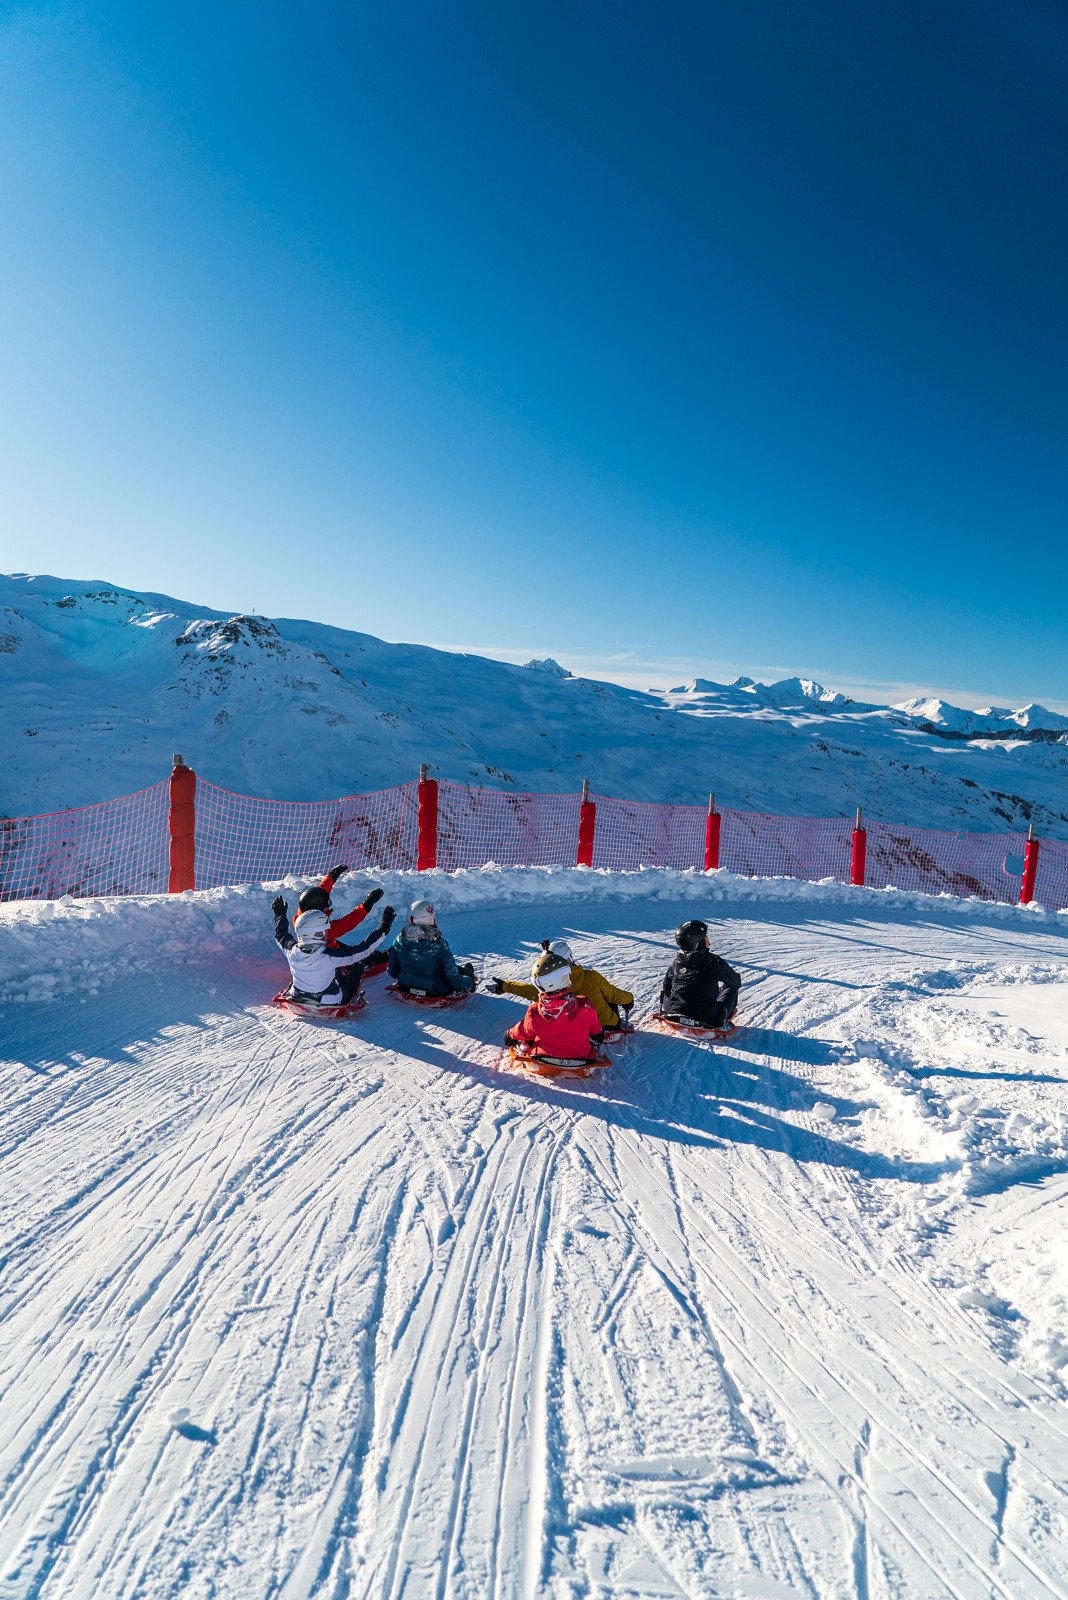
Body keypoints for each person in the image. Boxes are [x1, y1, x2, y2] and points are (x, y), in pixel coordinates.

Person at [273, 895, 396, 1007]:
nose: (327, 933)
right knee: (357, 969)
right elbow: (363, 949)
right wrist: (384, 928)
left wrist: (280, 915)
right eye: (325, 930)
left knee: (332, 971)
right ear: (318, 933)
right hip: (329, 1000)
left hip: (297, 996)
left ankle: (301, 993)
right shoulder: (329, 955)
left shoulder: (291, 950)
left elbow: (281, 935)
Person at [487, 938, 633, 1029]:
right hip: (604, 1025)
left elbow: (532, 992)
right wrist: (629, 999)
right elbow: (615, 995)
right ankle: (615, 1025)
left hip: (574, 1028)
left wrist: (506, 986)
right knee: (607, 994)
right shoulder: (591, 977)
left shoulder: (554, 985)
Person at [505, 948, 604, 1061]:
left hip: (545, 1057)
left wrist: (510, 1034)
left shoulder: (535, 1012)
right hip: (582, 1057)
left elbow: (524, 1031)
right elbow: (596, 1030)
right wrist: (597, 1034)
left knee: (530, 1037)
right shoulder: (585, 1005)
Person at [659, 919, 741, 1028]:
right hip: (707, 1018)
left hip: (675, 1012)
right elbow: (735, 982)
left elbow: (667, 989)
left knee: (673, 991)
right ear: (697, 942)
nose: (708, 941)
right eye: (705, 938)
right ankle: (720, 1017)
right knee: (731, 987)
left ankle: (680, 1011)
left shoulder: (676, 963)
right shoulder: (713, 961)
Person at [386, 900, 476, 996]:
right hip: (435, 990)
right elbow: (453, 979)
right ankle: (468, 974)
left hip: (405, 986)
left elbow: (392, 971)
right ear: (428, 919)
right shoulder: (439, 944)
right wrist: (469, 983)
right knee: (454, 971)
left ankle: (465, 971)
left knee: (450, 968)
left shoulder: (398, 940)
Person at [297, 863, 385, 942]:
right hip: (327, 954)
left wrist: (332, 876)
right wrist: (368, 904)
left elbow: (319, 893)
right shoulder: (321, 931)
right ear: (318, 909)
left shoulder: (304, 913)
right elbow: (347, 923)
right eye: (327, 904)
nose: (328, 906)